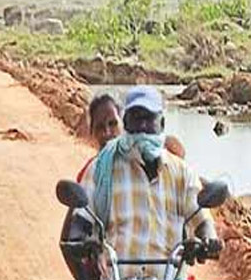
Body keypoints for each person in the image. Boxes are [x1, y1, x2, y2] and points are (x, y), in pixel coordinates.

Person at [78, 86, 222, 279]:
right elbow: (80, 222)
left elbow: (202, 219)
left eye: (149, 118)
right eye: (136, 119)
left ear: (161, 123)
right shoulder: (100, 170)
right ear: (126, 124)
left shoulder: (182, 173)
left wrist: (207, 241)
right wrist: (85, 243)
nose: (143, 127)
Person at [76, 93, 186, 182]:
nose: (107, 132)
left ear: (123, 123)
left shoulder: (141, 159)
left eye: (113, 123)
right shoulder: (90, 173)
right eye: (99, 127)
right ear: (91, 132)